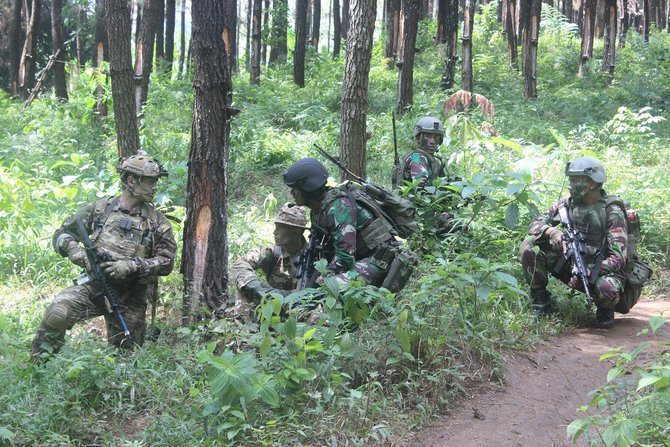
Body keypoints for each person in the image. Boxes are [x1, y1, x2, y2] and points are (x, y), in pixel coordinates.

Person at [31, 151, 177, 360]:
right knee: (58, 312)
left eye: (155, 182)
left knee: (125, 359)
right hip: (95, 286)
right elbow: (62, 233)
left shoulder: (157, 222)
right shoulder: (102, 209)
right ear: (131, 181)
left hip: (131, 297)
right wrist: (75, 251)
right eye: (149, 182)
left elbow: (167, 262)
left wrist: (132, 266)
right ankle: (39, 367)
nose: (154, 187)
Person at [519, 156, 627, 328]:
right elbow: (534, 224)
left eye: (575, 180)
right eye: (570, 179)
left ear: (591, 184)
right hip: (570, 265)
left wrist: (589, 273)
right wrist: (553, 232)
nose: (570, 184)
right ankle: (540, 302)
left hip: (600, 273)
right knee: (530, 244)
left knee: (607, 288)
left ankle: (605, 310)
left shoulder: (611, 212)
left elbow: (618, 259)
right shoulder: (566, 205)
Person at [283, 158, 399, 288]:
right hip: (359, 258)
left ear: (308, 188)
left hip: (380, 259)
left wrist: (325, 276)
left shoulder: (338, 207)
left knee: (329, 288)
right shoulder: (317, 210)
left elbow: (345, 258)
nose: (292, 193)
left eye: (295, 189)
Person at [230, 203, 308, 321]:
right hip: (271, 307)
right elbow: (240, 263)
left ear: (296, 231)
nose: (274, 232)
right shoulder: (272, 252)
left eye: (280, 228)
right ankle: (245, 330)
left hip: (301, 310)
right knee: (245, 288)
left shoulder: (314, 257)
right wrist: (255, 286)